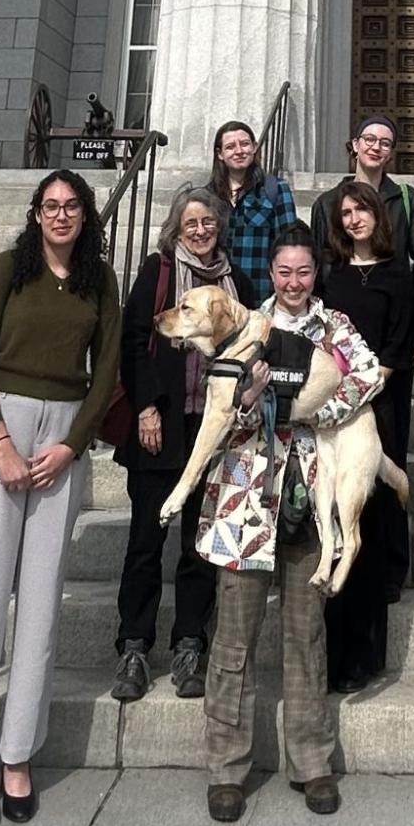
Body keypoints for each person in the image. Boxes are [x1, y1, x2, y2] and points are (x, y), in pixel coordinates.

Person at [0, 172, 121, 826]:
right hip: (1, 432)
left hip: (60, 443)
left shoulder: (100, 281)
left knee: (41, 606)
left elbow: (108, 374)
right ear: (36, 213)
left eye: (72, 206)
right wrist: (0, 444)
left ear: (87, 215)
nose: (61, 215)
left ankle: (17, 753)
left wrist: (71, 445)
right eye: (51, 206)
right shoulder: (5, 270)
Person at [200, 224, 383, 823]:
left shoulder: (335, 330)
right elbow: (225, 410)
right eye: (284, 271)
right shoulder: (248, 325)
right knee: (233, 637)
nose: (295, 282)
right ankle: (226, 766)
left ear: (315, 274)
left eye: (304, 271)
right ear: (271, 273)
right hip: (249, 498)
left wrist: (307, 409)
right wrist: (253, 403)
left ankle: (311, 761)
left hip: (312, 496)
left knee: (306, 636)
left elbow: (370, 375)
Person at [112, 184, 258, 705]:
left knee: (199, 546)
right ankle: (134, 644)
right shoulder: (159, 274)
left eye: (209, 223)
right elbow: (133, 340)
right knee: (146, 541)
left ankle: (191, 642)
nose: (200, 231)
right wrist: (146, 405)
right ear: (177, 227)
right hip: (163, 426)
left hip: (212, 431)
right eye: (192, 223)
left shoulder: (235, 283)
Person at [310, 111, 414, 596]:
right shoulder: (328, 203)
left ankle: (391, 565)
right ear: (353, 145)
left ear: (392, 151)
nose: (376, 147)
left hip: (390, 345)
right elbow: (320, 273)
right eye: (368, 139)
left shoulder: (406, 199)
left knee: (389, 455)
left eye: (385, 142)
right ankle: (336, 551)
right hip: (340, 356)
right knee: (340, 459)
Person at [318, 179, 414, 691]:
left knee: (368, 521)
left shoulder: (397, 274)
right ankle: (331, 651)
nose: (354, 218)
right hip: (332, 414)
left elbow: (401, 349)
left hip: (378, 409)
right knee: (334, 516)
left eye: (362, 210)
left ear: (379, 216)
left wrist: (370, 383)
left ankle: (365, 654)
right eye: (347, 212)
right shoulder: (330, 276)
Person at [208, 118, 297, 291]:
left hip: (260, 293)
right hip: (217, 296)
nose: (239, 151)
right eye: (230, 147)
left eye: (245, 144)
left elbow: (289, 244)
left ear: (254, 148)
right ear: (220, 154)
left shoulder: (275, 189)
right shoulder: (208, 196)